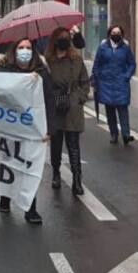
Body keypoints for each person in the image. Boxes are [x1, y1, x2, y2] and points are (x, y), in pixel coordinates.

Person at [0, 38, 53, 224]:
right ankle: (5, 197)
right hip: (10, 127)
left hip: (33, 128)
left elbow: (49, 101)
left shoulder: (42, 72)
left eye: (28, 48)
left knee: (30, 166)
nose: (25, 51)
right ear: (14, 51)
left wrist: (50, 129)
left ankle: (31, 208)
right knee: (10, 164)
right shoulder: (4, 71)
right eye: (21, 47)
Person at [45, 26, 90, 196]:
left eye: (66, 37)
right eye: (61, 37)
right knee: (56, 145)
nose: (64, 40)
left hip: (72, 108)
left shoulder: (76, 59)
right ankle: (56, 173)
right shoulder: (48, 61)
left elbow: (85, 82)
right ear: (55, 41)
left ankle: (77, 180)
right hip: (55, 107)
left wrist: (80, 98)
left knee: (73, 145)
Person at [92, 25, 137, 145]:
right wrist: (96, 79)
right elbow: (97, 64)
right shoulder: (102, 48)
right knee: (110, 111)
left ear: (121, 34)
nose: (115, 34)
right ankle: (113, 133)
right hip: (106, 83)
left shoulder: (125, 48)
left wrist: (127, 76)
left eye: (118, 32)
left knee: (123, 109)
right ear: (109, 33)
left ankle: (126, 134)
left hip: (121, 82)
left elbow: (132, 64)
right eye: (113, 32)